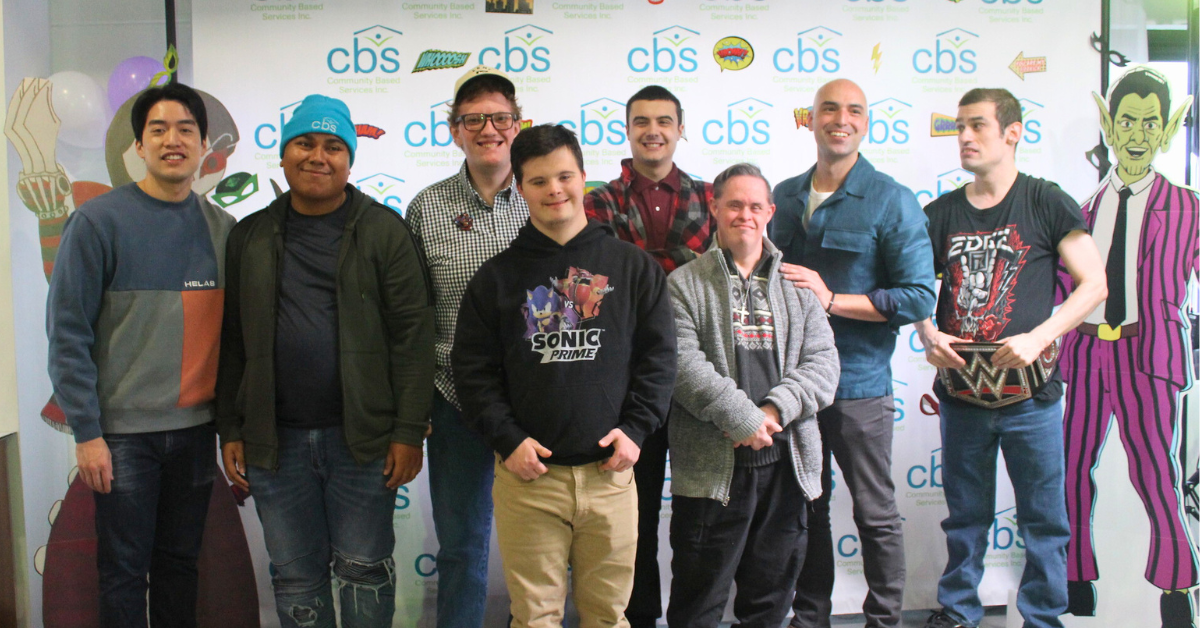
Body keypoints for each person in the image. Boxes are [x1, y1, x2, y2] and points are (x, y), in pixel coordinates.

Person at [216, 94, 435, 628]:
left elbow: (413, 337)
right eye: (305, 143)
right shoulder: (249, 235)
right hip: (275, 442)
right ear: (283, 154)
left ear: (349, 160)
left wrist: (409, 431)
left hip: (362, 442)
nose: (318, 156)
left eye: (333, 146)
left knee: (364, 571)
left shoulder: (384, 230)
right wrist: (231, 428)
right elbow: (233, 341)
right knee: (295, 578)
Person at [451, 124, 677, 628]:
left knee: (608, 617)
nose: (554, 190)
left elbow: (660, 360)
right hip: (529, 480)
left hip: (610, 476)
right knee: (534, 619)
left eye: (564, 176)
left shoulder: (634, 268)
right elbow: (473, 373)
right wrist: (508, 440)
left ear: (583, 178)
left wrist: (636, 429)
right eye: (538, 181)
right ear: (520, 188)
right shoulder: (496, 278)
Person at [914, 88, 1106, 628]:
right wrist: (928, 334)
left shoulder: (1044, 200)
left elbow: (1094, 284)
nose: (965, 136)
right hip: (962, 396)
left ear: (1012, 132)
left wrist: (1040, 337)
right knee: (965, 519)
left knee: (1044, 520)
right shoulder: (940, 213)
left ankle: (1043, 618)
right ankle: (958, 612)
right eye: (960, 127)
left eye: (977, 125)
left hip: (1033, 397)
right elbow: (913, 289)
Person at [46, 83, 235, 627]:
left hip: (196, 433)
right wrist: (87, 432)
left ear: (203, 145)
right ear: (139, 146)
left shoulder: (223, 229)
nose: (173, 141)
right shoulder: (98, 222)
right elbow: (68, 333)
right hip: (122, 438)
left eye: (186, 130)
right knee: (123, 573)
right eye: (158, 130)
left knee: (180, 567)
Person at [773, 78, 936, 628]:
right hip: (793, 387)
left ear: (865, 124)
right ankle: (809, 617)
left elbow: (919, 297)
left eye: (853, 111)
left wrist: (832, 299)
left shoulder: (892, 199)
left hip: (859, 386)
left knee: (874, 513)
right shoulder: (783, 196)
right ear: (810, 119)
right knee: (806, 510)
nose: (840, 119)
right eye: (828, 109)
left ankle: (884, 620)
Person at [665, 163, 839, 628]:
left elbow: (824, 365)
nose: (745, 214)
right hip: (712, 472)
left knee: (769, 605)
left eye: (755, 206)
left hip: (786, 468)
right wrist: (742, 418)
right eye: (735, 204)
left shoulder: (799, 286)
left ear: (770, 213)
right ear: (715, 209)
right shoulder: (683, 284)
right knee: (697, 605)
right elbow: (681, 365)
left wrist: (773, 409)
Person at [1059, 66, 1199, 628]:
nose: (1137, 134)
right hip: (1086, 355)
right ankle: (1075, 579)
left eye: (1149, 123)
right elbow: (1062, 287)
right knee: (1071, 467)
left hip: (1148, 356)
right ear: (1109, 125)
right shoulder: (1080, 210)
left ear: (1166, 130)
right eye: (1127, 121)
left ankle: (1176, 588)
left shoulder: (1188, 207)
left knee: (1156, 472)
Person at [584, 84, 715, 628]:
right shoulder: (598, 200)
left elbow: (632, 269)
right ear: (628, 129)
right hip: (627, 383)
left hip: (703, 377)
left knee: (699, 515)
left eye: (664, 121)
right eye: (641, 121)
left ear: (681, 129)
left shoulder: (712, 196)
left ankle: (693, 619)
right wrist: (686, 263)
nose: (652, 131)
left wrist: (637, 261)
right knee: (631, 518)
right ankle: (637, 620)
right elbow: (604, 275)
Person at [406, 64, 530, 628]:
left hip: (537, 401)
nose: (488, 130)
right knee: (461, 545)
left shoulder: (544, 197)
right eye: (473, 119)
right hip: (454, 401)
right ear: (454, 130)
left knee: (550, 542)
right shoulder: (426, 208)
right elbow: (413, 317)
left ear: (518, 126)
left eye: (500, 118)